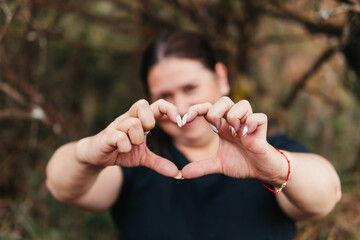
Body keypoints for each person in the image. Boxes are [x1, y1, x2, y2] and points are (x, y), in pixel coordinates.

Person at [46, 30, 341, 239]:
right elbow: (62, 186)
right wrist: (87, 154)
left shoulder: (269, 151)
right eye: (164, 94)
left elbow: (326, 196)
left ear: (221, 78)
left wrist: (273, 167)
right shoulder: (136, 159)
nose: (181, 106)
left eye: (190, 88)